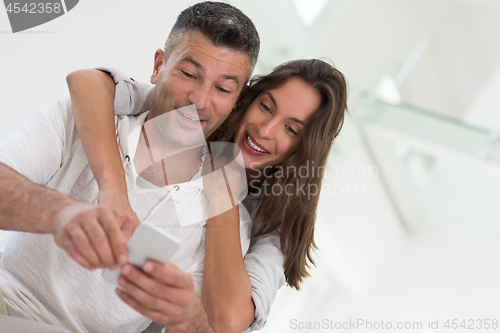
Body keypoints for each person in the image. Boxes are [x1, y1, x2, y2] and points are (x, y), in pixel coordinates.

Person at [0, 2, 264, 333]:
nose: (199, 99)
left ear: (237, 101)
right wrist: (61, 214)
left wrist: (188, 319)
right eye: (188, 74)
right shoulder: (83, 119)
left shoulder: (225, 222)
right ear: (158, 66)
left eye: (223, 88)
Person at [67, 56, 348, 333]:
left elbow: (229, 321)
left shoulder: (275, 228)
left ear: (303, 149)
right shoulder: (198, 118)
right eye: (265, 107)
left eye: (290, 129)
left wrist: (223, 180)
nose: (265, 130)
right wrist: (113, 190)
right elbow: (89, 82)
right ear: (246, 98)